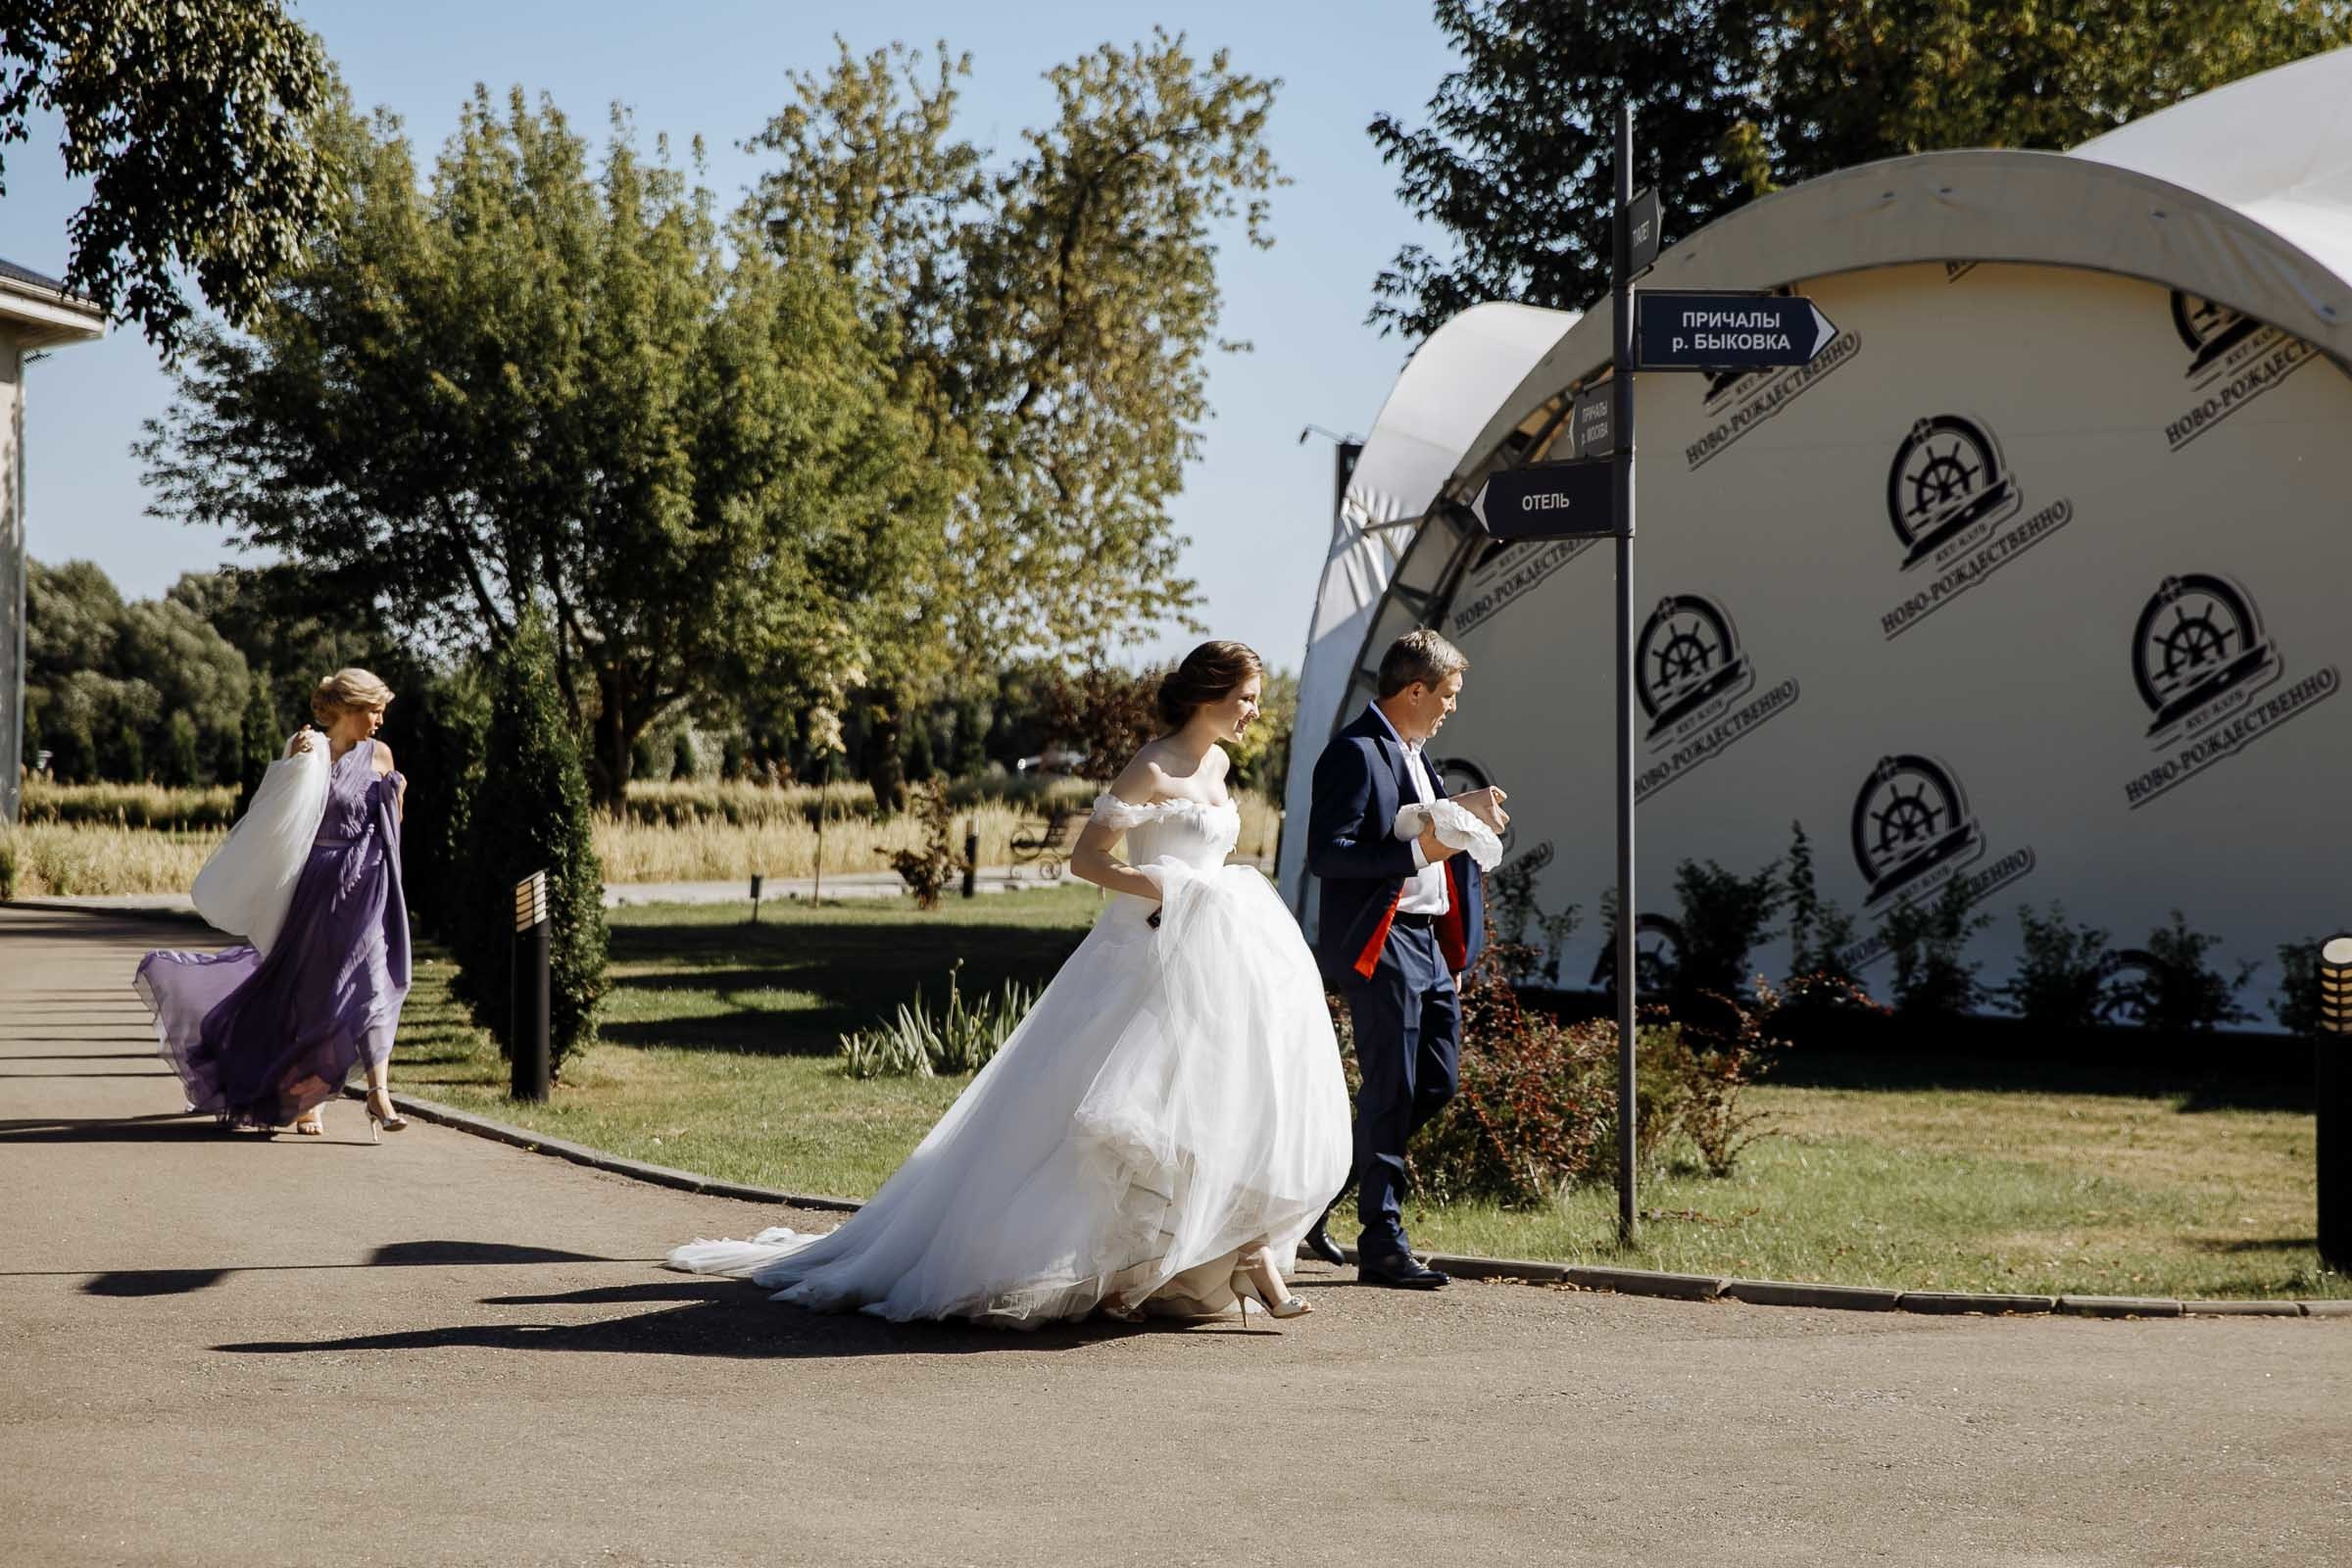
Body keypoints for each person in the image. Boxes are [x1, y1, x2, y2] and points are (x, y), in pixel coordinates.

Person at [668, 641, 1351, 1328]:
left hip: (1215, 960)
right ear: (1208, 694)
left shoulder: (1222, 763)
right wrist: (1168, 889)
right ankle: (1127, 1265)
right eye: (1247, 697)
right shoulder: (1150, 765)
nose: (1255, 711)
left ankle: (1231, 1254)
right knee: (1118, 1118)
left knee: (1217, 1105)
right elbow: (1088, 860)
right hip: (1144, 954)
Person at [1303, 628, 1504, 1288]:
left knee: (1437, 1082)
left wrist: (1457, 812)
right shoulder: (1354, 754)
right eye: (1446, 694)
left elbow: (1418, 822)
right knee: (1391, 1087)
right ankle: (1382, 1242)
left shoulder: (1419, 756)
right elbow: (1329, 855)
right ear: (1414, 690)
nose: (1452, 706)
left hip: (1427, 941)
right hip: (1380, 939)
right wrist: (1425, 849)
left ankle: (1316, 1197)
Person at [135, 668, 413, 1141]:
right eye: (374, 710)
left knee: (373, 984)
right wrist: (291, 763)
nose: (380, 721)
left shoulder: (381, 755)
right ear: (348, 708)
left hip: (367, 887)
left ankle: (378, 1092)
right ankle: (309, 1096)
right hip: (316, 885)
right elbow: (274, 813)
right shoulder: (310, 748)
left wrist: (397, 798)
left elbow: (392, 824)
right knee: (311, 992)